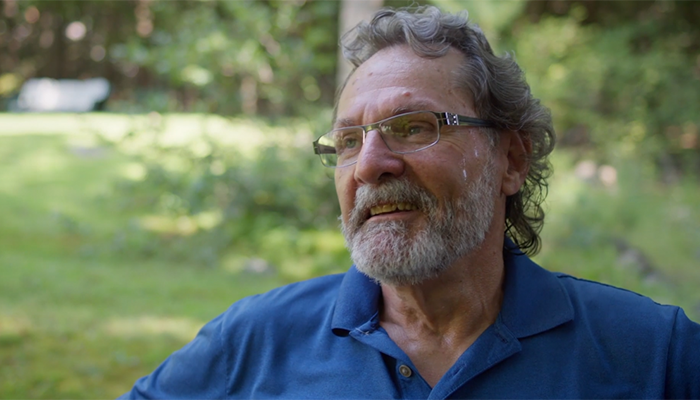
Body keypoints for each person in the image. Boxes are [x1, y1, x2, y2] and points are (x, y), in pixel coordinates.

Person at [118, 6, 700, 399]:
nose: (368, 165)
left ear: (512, 160)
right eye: (349, 141)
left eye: (414, 127)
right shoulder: (252, 343)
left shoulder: (655, 354)